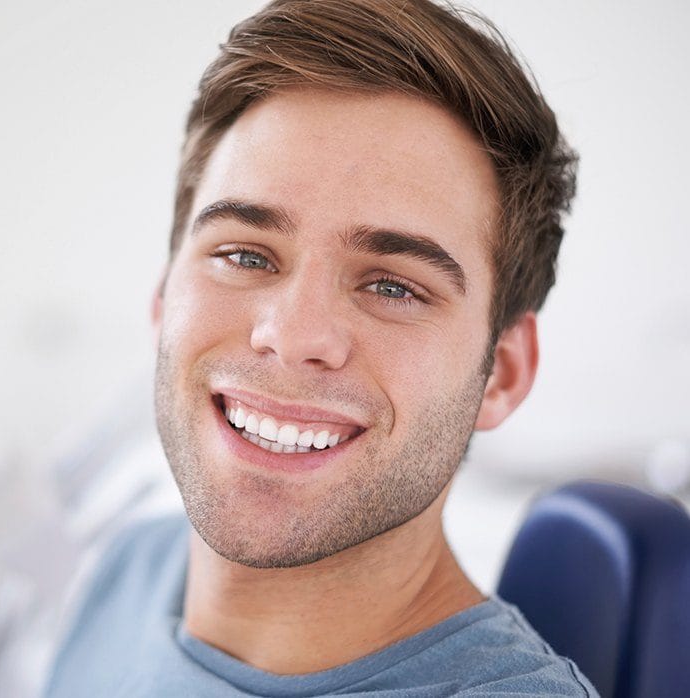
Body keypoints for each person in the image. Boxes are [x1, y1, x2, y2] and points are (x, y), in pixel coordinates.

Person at [43, 0, 597, 695]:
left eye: (393, 287)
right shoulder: (131, 567)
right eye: (245, 255)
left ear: (502, 375)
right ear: (163, 294)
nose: (292, 334)